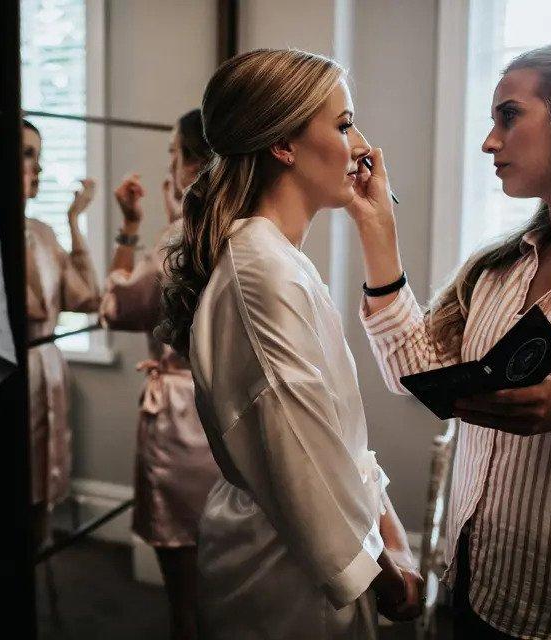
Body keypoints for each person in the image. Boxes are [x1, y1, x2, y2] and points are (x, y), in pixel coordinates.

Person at [352, 36, 551, 639]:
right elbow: (411, 372)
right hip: (478, 588)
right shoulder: (499, 269)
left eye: (508, 115)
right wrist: (377, 229)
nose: (489, 141)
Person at [157, 49, 423, 639]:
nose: (362, 147)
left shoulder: (279, 260)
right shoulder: (261, 271)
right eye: (344, 124)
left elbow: (335, 436)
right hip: (283, 570)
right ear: (284, 145)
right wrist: (380, 572)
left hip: (314, 544)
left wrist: (392, 531)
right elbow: (302, 450)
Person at [100, 109, 221, 640]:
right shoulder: (245, 233)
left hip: (180, 415)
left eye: (173, 154)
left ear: (191, 163)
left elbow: (118, 308)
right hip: (232, 415)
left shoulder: (178, 240)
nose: (168, 166)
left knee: (184, 584)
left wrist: (129, 229)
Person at [24, 120, 101, 536]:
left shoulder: (43, 232)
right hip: (12, 369)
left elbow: (86, 298)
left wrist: (74, 220)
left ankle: (39, 558)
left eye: (38, 154)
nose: (36, 167)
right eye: (25, 154)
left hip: (48, 366)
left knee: (46, 471)